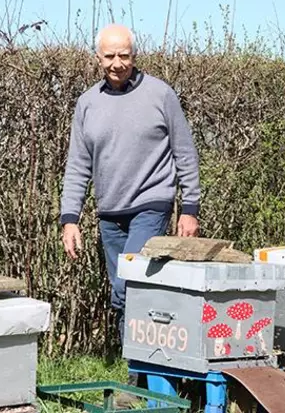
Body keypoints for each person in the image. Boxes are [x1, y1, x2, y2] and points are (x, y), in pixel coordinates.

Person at [59, 23, 201, 346]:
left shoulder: (160, 94)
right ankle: (138, 372)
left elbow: (185, 153)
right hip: (109, 212)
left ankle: (145, 374)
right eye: (109, 56)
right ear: (98, 58)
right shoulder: (87, 104)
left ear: (134, 56)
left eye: (124, 55)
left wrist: (190, 208)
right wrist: (70, 219)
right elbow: (78, 166)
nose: (117, 63)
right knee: (122, 293)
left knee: (129, 284)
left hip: (150, 205)